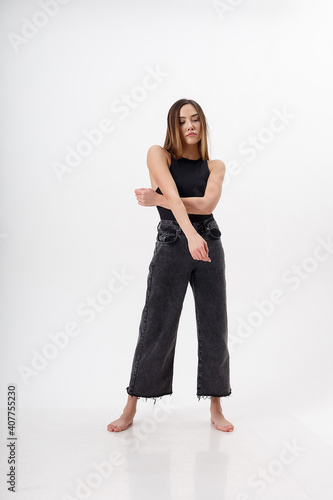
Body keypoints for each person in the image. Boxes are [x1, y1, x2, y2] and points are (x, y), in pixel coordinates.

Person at [107, 99, 234, 433]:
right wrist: (188, 231)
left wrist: (158, 199)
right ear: (173, 126)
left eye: (195, 120)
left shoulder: (216, 165)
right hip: (174, 242)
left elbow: (207, 203)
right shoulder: (158, 154)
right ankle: (131, 404)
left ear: (203, 125)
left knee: (214, 324)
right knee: (156, 324)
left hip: (209, 241)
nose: (189, 125)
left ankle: (216, 406)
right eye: (182, 121)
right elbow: (178, 197)